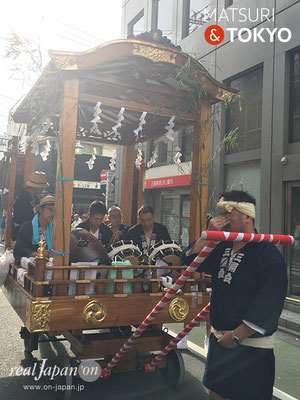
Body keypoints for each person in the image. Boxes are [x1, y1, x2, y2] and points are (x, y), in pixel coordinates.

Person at [182, 190, 287, 400]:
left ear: (247, 216)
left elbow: (269, 302)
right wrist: (209, 233)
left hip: (251, 347)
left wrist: (238, 336)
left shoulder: (268, 254)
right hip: (221, 340)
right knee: (216, 393)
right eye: (221, 214)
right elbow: (190, 262)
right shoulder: (222, 246)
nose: (224, 220)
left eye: (229, 214)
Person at [12, 171, 49, 241]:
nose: (43, 190)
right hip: (21, 234)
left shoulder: (35, 198)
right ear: (34, 187)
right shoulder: (22, 197)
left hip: (30, 233)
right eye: (42, 187)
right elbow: (20, 218)